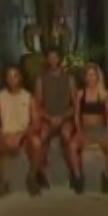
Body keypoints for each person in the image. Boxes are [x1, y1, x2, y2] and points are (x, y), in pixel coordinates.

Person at [0, 64, 42, 197]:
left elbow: (36, 123)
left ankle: (32, 177)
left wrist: (21, 135)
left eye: (15, 76)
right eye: (9, 77)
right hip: (5, 135)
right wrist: (3, 136)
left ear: (21, 77)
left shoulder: (29, 97)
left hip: (23, 136)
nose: (12, 80)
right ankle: (1, 183)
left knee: (37, 143)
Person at [69, 63, 108, 194]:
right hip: (85, 129)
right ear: (85, 77)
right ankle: (78, 177)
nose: (91, 77)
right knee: (72, 146)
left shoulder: (104, 94)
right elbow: (76, 114)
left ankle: (106, 176)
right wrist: (79, 130)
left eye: (93, 75)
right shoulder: (80, 94)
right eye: (88, 75)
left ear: (98, 77)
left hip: (100, 129)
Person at [36, 47, 76, 189]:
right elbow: (37, 105)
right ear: (47, 60)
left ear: (60, 59)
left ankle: (73, 171)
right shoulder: (41, 79)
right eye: (50, 57)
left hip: (65, 118)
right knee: (42, 136)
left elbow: (75, 105)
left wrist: (62, 117)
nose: (53, 60)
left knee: (66, 135)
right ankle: (41, 173)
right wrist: (49, 118)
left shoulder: (69, 79)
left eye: (55, 57)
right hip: (47, 118)